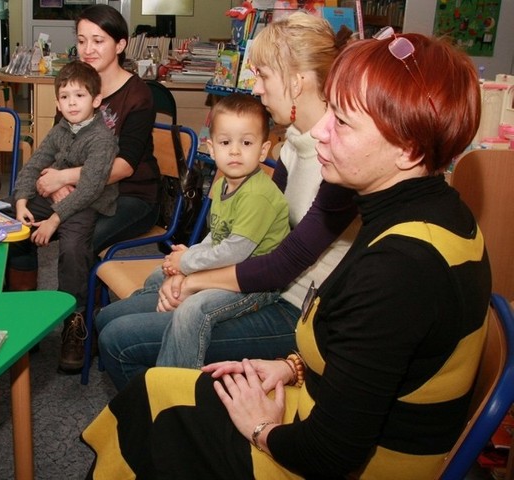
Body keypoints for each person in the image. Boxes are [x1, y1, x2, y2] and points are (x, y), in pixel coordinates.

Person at [82, 31, 491, 479]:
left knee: (151, 414)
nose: (321, 130)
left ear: (408, 149)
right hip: (319, 404)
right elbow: (381, 360)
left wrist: (258, 427)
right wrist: (292, 365)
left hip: (342, 461)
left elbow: (331, 455)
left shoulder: (400, 269)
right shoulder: (431, 210)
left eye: (344, 121)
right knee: (153, 390)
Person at [95, 13, 359, 390]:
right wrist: (190, 273)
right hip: (263, 280)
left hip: (298, 310)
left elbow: (283, 264)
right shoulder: (291, 147)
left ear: (297, 82)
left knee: (119, 340)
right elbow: (267, 238)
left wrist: (193, 279)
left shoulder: (338, 157)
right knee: (108, 320)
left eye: (265, 76)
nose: (259, 90)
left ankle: (180, 424)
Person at [6, 5, 160, 367]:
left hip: (131, 194)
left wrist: (64, 179)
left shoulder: (138, 95)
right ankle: (25, 315)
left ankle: (76, 328)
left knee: (80, 241)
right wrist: (57, 185)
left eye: (99, 40)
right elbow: (58, 146)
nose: (88, 48)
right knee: (12, 226)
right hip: (77, 188)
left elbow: (123, 166)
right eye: (82, 40)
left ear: (120, 44)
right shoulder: (76, 85)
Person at [139, 92, 291, 369]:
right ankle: (146, 324)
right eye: (225, 142)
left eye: (246, 142)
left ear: (262, 149)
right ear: (211, 147)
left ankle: (176, 383)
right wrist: (187, 260)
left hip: (253, 283)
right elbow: (217, 235)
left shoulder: (258, 195)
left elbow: (235, 252)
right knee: (155, 277)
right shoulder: (223, 184)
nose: (234, 151)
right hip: (227, 266)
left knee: (193, 309)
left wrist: (186, 262)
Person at [10, 61, 118, 374]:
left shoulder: (102, 138)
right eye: (65, 96)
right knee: (11, 221)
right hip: (60, 196)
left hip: (90, 203)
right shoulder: (60, 130)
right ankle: (23, 305)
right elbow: (33, 166)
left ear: (96, 101)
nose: (72, 102)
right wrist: (20, 203)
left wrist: (54, 219)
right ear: (57, 102)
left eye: (79, 96)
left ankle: (76, 322)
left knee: (73, 249)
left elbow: (89, 189)